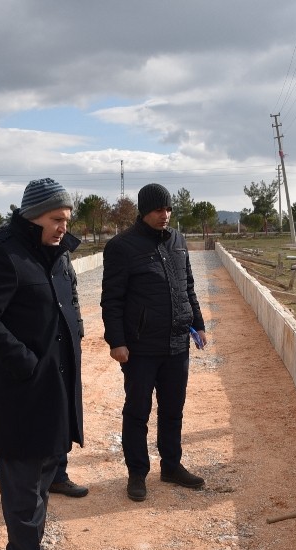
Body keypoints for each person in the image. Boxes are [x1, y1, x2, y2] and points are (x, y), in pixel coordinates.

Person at [0, 178, 83, 550]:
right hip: (21, 390)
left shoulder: (55, 254)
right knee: (21, 485)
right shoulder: (2, 255)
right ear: (33, 215)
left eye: (66, 219)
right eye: (57, 219)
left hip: (57, 385)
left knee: (45, 473)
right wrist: (27, 362)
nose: (62, 226)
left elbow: (66, 302)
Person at [101, 183, 207, 502]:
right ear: (144, 211)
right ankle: (137, 473)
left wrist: (198, 323)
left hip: (177, 344)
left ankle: (171, 466)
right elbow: (112, 300)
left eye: (169, 209)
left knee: (173, 409)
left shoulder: (177, 240)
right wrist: (116, 341)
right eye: (159, 210)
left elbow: (187, 284)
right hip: (140, 347)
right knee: (137, 411)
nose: (165, 215)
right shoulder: (121, 246)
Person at [49, 253, 89, 498]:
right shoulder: (19, 253)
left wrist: (78, 325)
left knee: (64, 407)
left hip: (66, 341)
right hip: (40, 346)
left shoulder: (62, 256)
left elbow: (72, 292)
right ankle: (39, 477)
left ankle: (58, 475)